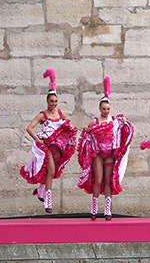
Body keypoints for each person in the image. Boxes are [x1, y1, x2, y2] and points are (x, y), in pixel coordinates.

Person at [20, 69, 78, 214]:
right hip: (47, 146)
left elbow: (66, 126)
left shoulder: (61, 113)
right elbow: (29, 128)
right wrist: (38, 140)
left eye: (56, 101)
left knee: (51, 172)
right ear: (47, 101)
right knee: (51, 170)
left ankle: (40, 189)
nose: (54, 104)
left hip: (58, 146)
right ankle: (48, 200)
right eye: (51, 101)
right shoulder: (43, 115)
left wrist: (70, 128)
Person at [77, 77, 134, 221]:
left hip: (110, 155)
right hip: (98, 154)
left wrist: (125, 122)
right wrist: (86, 130)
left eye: (108, 109)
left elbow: (125, 130)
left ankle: (108, 209)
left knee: (108, 180)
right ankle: (94, 208)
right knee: (98, 179)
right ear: (99, 109)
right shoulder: (95, 121)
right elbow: (86, 133)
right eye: (103, 109)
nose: (106, 111)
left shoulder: (114, 121)